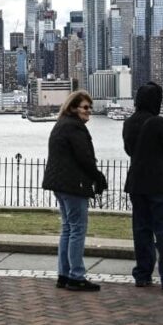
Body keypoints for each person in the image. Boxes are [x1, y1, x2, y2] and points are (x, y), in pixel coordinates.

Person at [41, 89, 108, 292]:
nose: (89, 112)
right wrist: (98, 177)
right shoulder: (75, 128)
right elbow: (84, 158)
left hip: (60, 184)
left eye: (90, 108)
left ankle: (64, 273)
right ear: (73, 108)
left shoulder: (61, 125)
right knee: (77, 228)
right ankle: (76, 276)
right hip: (73, 185)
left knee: (68, 228)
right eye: (86, 108)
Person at [123, 82, 163, 292]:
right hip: (158, 182)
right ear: (156, 101)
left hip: (136, 182)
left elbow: (129, 150)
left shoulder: (129, 122)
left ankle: (142, 274)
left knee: (141, 230)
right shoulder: (158, 122)